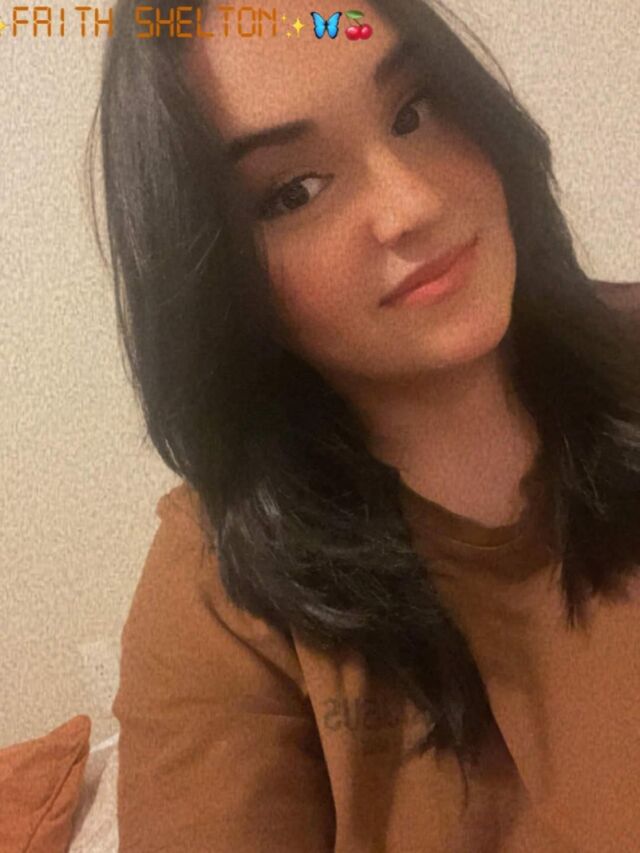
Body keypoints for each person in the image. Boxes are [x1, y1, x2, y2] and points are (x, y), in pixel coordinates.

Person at [87, 0, 640, 849]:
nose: (412, 202)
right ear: (213, 273)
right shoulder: (221, 593)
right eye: (293, 192)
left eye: (413, 111)